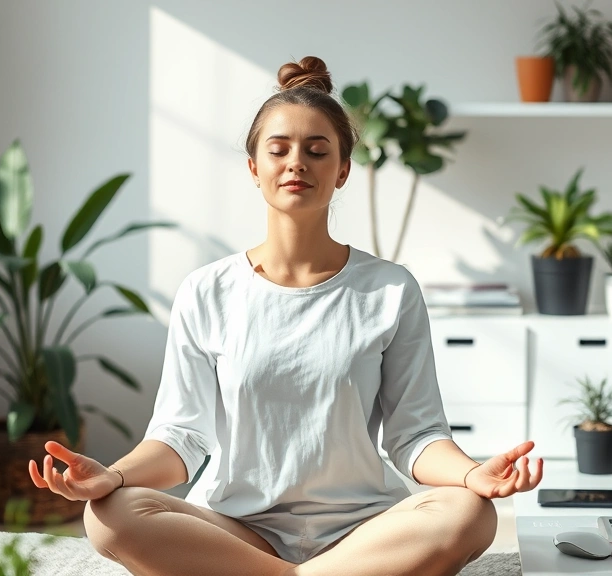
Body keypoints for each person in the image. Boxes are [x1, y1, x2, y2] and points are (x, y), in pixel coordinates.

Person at [28, 56, 543, 576]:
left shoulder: (389, 289)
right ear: (255, 167)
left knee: (468, 513)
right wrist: (112, 476)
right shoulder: (207, 291)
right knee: (109, 517)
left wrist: (474, 474)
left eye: (317, 151)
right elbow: (180, 438)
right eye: (279, 150)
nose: (297, 162)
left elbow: (415, 436)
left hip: (364, 531)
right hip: (237, 529)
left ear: (341, 171)